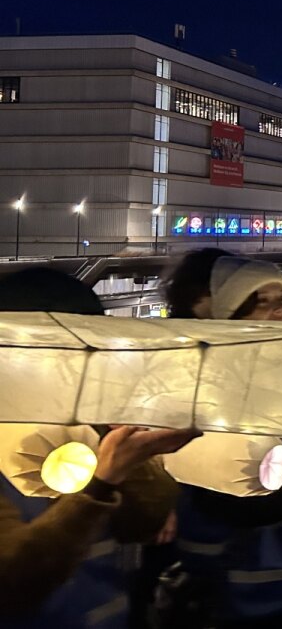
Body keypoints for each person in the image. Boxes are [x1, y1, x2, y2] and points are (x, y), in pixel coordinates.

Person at [0, 268, 198, 629]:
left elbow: (146, 520)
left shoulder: (90, 419)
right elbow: (13, 583)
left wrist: (126, 452)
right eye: (65, 352)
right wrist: (102, 482)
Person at [167, 256, 282, 629]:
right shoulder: (205, 389)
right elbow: (232, 497)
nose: (277, 313)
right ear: (230, 314)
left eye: (281, 301)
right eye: (260, 303)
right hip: (243, 591)